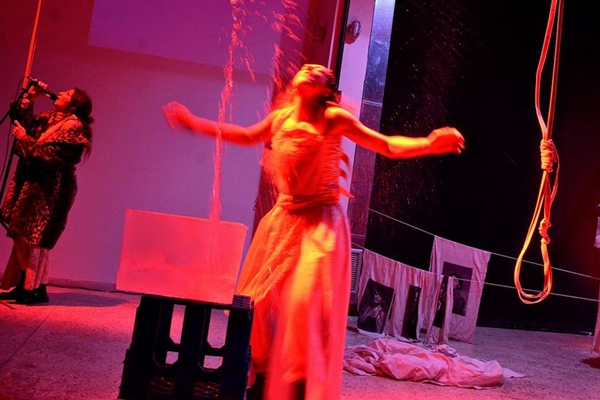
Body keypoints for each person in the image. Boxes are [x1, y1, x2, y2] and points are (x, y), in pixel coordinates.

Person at [163, 63, 465, 400]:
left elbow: (386, 146)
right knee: (258, 303)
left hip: (320, 224)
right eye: (307, 67)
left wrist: (429, 142)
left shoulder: (333, 118)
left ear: (326, 90)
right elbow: (246, 136)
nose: (309, 68)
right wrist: (194, 123)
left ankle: (302, 383)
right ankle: (259, 373)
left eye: (319, 71)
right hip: (284, 219)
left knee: (305, 303)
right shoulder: (281, 118)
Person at [0, 81, 93, 305]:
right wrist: (31, 98)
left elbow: (49, 158)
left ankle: (34, 289)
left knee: (35, 239)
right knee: (19, 233)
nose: (60, 92)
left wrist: (25, 139)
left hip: (49, 191)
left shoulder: (73, 128)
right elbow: (23, 123)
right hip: (31, 185)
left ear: (73, 105)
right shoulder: (50, 119)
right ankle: (24, 284)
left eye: (67, 93)